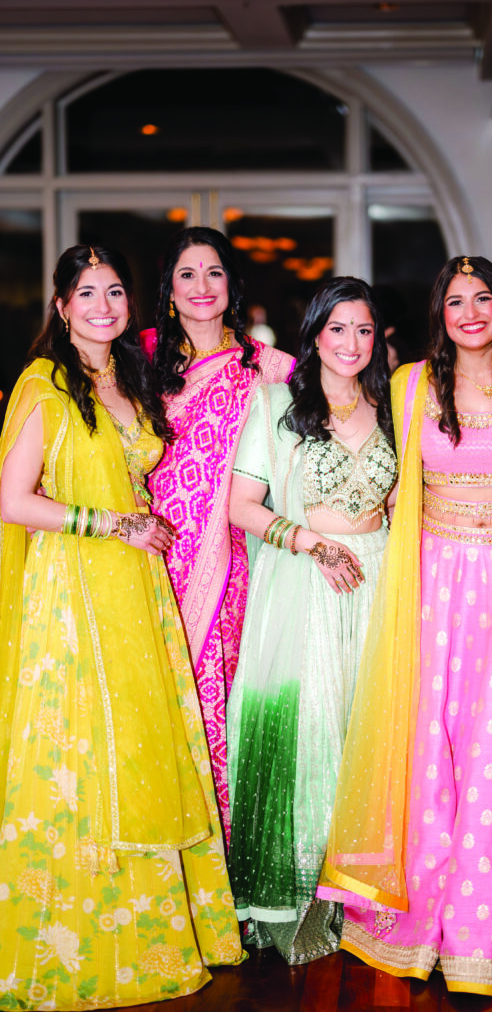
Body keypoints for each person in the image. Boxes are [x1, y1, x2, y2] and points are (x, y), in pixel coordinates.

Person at [319, 256, 492, 995]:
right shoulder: (409, 386)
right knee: (432, 745)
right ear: (439, 311)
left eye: (483, 299)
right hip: (435, 586)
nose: (470, 312)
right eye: (455, 301)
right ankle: (423, 915)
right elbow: (345, 418)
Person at [0, 244, 243, 1010]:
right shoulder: (46, 386)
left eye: (114, 292)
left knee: (136, 748)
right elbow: (12, 500)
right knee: (84, 748)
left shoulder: (125, 378)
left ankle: (145, 927)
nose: (103, 305)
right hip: (73, 591)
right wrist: (107, 520)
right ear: (61, 306)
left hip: (136, 592)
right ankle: (73, 933)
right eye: (86, 293)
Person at [225, 276, 397, 964]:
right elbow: (242, 505)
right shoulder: (276, 405)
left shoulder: (393, 409)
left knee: (370, 732)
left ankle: (362, 896)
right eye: (337, 329)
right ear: (314, 335)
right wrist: (310, 543)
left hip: (379, 580)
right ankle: (297, 895)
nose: (350, 343)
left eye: (363, 330)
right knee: (309, 730)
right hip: (302, 583)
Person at [145, 227, 294, 845]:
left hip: (228, 561)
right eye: (187, 274)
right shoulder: (140, 355)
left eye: (213, 273)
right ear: (170, 288)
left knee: (217, 699)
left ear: (231, 284)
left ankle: (220, 855)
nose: (201, 287)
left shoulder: (269, 368)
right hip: (149, 552)